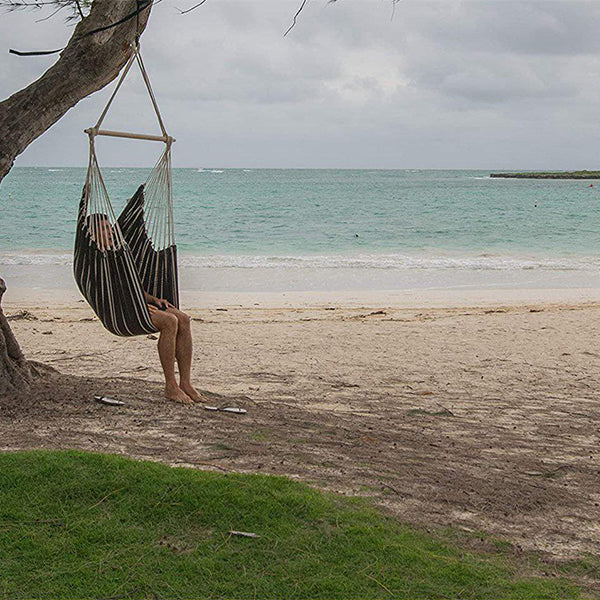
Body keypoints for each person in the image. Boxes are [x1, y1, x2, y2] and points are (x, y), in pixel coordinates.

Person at [87, 213, 202, 405]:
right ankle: (170, 386)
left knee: (183, 318)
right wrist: (136, 305)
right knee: (169, 321)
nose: (110, 232)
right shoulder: (95, 260)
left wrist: (153, 299)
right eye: (104, 228)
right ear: (91, 233)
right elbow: (107, 293)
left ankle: (186, 383)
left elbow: (133, 286)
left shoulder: (119, 253)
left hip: (137, 303)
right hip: (122, 312)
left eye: (109, 227)